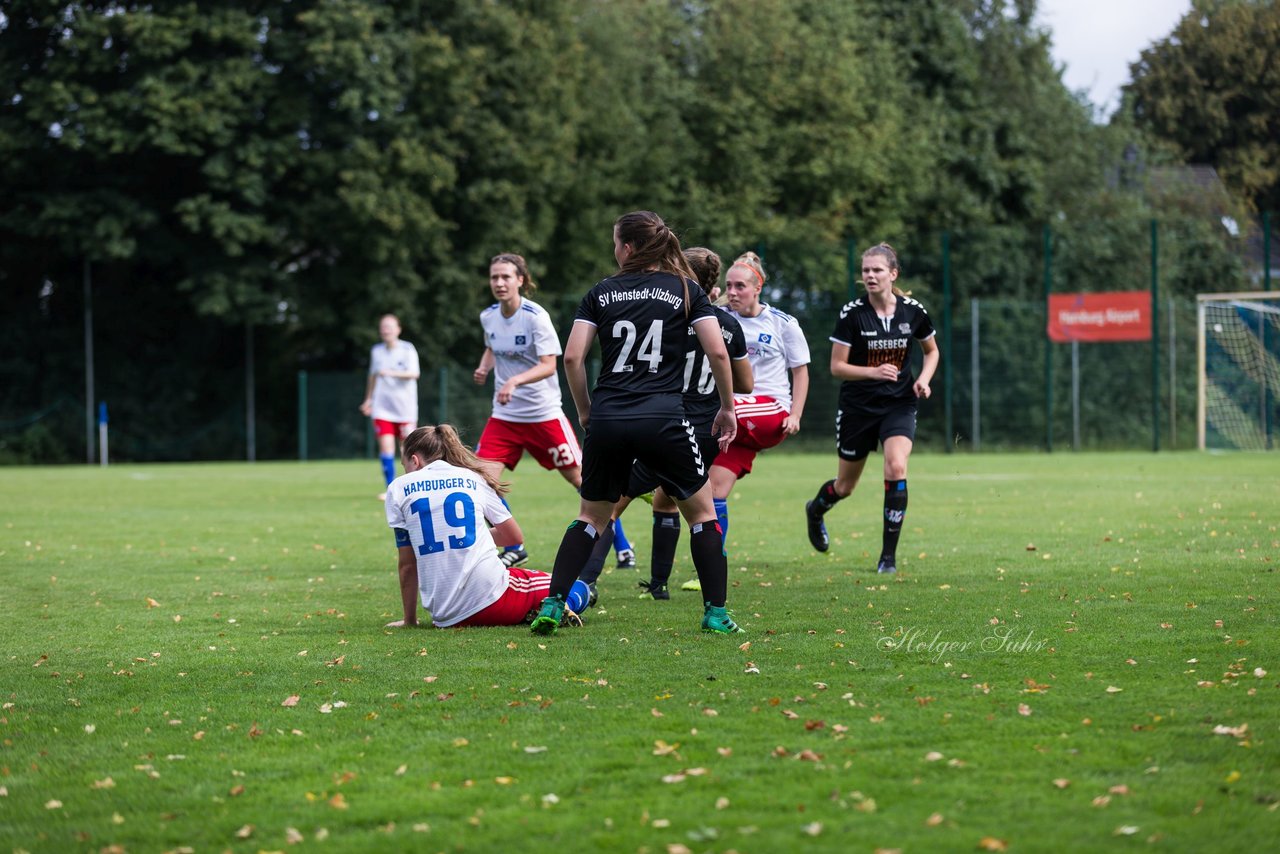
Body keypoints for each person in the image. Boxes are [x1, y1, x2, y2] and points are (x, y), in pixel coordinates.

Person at [528, 211, 743, 635]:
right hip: (664, 417)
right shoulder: (685, 290)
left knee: (591, 517)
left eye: (614, 241)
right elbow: (718, 353)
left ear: (627, 247)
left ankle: (553, 604)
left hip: (609, 417)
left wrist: (586, 409)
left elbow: (572, 358)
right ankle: (716, 613)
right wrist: (726, 407)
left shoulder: (600, 292)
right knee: (701, 515)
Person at [577, 247, 753, 599]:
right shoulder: (728, 325)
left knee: (611, 505)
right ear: (713, 286)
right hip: (706, 429)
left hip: (666, 424)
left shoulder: (669, 315)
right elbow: (746, 384)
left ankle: (585, 583)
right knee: (669, 501)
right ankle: (661, 586)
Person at [472, 253, 635, 570]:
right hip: (505, 417)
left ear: (521, 279)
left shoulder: (535, 317)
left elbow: (549, 365)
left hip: (543, 415)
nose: (500, 283)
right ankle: (514, 545)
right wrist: (483, 367)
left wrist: (515, 380)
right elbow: (493, 345)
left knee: (587, 482)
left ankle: (623, 546)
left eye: (506, 277)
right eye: (494, 277)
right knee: (480, 483)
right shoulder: (488, 316)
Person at [804, 242, 939, 574]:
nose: (870, 275)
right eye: (866, 270)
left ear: (893, 274)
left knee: (896, 466)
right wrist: (872, 372)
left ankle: (887, 558)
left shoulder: (913, 311)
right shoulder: (852, 313)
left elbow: (932, 351)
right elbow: (836, 367)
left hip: (899, 404)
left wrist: (923, 379)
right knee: (845, 486)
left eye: (877, 270)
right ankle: (816, 510)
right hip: (858, 408)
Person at [384, 424, 593, 629]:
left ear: (415, 460)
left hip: (445, 615)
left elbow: (407, 564)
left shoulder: (397, 488)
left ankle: (535, 609)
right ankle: (564, 606)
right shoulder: (472, 478)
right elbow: (514, 537)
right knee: (576, 586)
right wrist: (473, 535)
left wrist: (409, 620)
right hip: (493, 597)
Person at [706, 251, 811, 560]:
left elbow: (800, 370)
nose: (733, 293)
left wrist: (796, 414)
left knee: (709, 412)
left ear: (758, 288)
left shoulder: (783, 323)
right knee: (713, 491)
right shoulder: (720, 319)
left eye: (740, 286)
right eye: (729, 285)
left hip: (771, 410)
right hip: (737, 423)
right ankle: (714, 562)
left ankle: (655, 468)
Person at [359, 314, 420, 500]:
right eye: (383, 327)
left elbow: (414, 374)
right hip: (382, 408)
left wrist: (391, 373)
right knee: (386, 448)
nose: (386, 330)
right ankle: (391, 489)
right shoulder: (376, 351)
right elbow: (373, 376)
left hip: (405, 409)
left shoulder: (407, 349)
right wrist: (368, 399)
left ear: (398, 329)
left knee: (407, 449)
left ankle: (411, 487)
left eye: (389, 327)